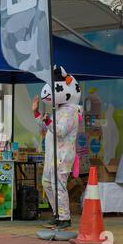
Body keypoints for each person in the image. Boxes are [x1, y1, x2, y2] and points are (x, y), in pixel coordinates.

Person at [32, 66, 81, 231]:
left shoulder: (70, 112)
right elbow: (50, 128)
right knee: (47, 183)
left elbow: (60, 131)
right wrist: (37, 114)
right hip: (53, 154)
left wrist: (47, 122)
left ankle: (64, 217)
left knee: (58, 184)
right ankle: (57, 214)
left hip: (62, 154)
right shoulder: (60, 110)